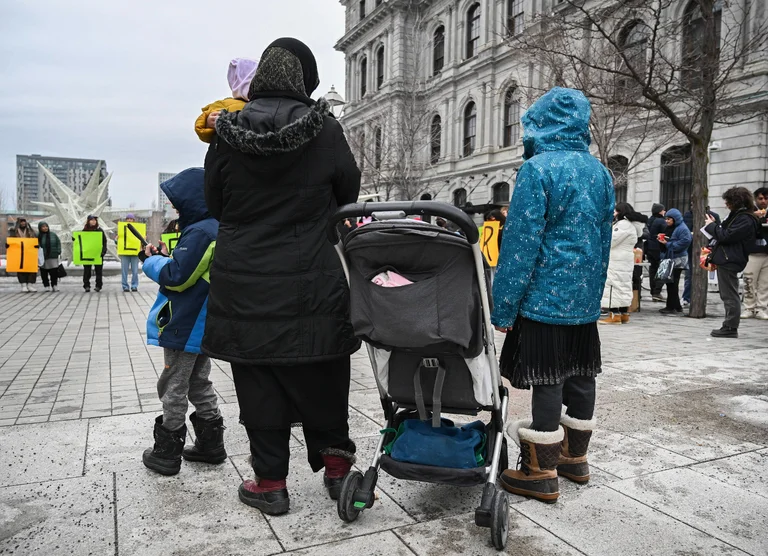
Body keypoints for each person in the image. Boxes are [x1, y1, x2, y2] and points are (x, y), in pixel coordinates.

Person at [202, 38, 361, 515]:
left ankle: (270, 482)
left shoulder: (226, 133)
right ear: (304, 81)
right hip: (311, 274)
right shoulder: (326, 130)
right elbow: (348, 191)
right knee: (323, 367)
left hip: (244, 281)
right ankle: (337, 470)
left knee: (259, 379)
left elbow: (216, 204)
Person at [492, 88, 614, 503]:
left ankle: (539, 470)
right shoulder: (600, 173)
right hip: (582, 299)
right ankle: (574, 459)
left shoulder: (537, 170)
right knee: (581, 374)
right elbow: (603, 238)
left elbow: (520, 244)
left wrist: (504, 305)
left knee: (548, 378)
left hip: (544, 298)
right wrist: (594, 293)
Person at [140, 168, 226, 476]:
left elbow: (178, 278)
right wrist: (167, 256)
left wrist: (150, 261)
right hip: (203, 322)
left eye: (177, 202)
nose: (175, 208)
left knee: (173, 384)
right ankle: (211, 444)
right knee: (198, 381)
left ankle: (167, 452)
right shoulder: (215, 226)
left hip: (187, 321)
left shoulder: (201, 231)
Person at [705, 187, 761, 338]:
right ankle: (729, 325)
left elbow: (726, 235)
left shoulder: (745, 219)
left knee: (729, 294)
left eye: (728, 202)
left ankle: (730, 327)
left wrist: (711, 226)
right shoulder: (740, 216)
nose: (726, 205)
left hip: (731, 259)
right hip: (729, 257)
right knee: (728, 293)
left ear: (735, 202)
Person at [195, 58, 259, 143]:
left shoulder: (263, 104)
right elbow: (202, 127)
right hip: (230, 152)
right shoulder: (226, 104)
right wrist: (208, 123)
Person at [600, 202, 644, 324]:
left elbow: (611, 240)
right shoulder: (631, 225)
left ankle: (614, 315)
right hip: (625, 260)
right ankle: (624, 313)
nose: (613, 213)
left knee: (613, 286)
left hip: (617, 260)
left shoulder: (623, 225)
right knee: (623, 285)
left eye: (615, 211)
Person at [682, 204, 720, 305]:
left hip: (707, 248)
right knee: (690, 273)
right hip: (691, 247)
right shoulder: (687, 215)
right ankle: (687, 297)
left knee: (702, 272)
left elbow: (717, 232)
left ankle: (698, 297)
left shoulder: (713, 216)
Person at [658, 208, 692, 315]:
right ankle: (676, 306)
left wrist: (667, 244)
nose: (667, 221)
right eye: (666, 219)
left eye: (669, 219)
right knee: (671, 283)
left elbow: (685, 241)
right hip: (673, 258)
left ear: (675, 219)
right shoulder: (675, 227)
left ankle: (671, 306)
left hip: (678, 259)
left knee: (672, 283)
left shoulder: (682, 228)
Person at [742, 187, 768, 320]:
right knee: (749, 282)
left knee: (764, 284)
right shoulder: (749, 212)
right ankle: (749, 308)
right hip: (752, 253)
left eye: (766, 198)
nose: (763, 201)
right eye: (760, 198)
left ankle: (761, 309)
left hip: (766, 254)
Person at [10, 217, 37, 292]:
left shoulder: (30, 230)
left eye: (24, 222)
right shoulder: (14, 231)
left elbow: (35, 239)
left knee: (31, 268)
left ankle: (30, 284)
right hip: (19, 252)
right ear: (18, 223)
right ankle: (23, 284)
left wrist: (36, 245)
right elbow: (10, 240)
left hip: (30, 252)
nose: (23, 223)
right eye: (21, 222)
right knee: (21, 268)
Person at [646, 203, 667, 301]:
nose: (664, 212)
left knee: (652, 270)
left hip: (649, 248)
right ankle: (657, 292)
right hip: (659, 248)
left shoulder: (649, 220)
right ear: (660, 211)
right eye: (663, 210)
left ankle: (653, 291)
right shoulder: (662, 221)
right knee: (662, 270)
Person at [82, 215, 107, 293]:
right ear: (88, 221)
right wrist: (75, 240)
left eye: (95, 220)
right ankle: (86, 286)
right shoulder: (84, 230)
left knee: (98, 271)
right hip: (87, 254)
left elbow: (104, 241)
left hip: (98, 254)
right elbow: (81, 241)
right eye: (92, 220)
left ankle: (98, 286)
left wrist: (103, 251)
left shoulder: (100, 230)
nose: (93, 221)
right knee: (87, 271)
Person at [118, 213, 140, 292]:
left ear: (134, 220)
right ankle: (125, 286)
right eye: (128, 219)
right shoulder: (122, 229)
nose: (129, 220)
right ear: (126, 220)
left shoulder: (138, 229)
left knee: (135, 270)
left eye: (131, 219)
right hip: (125, 253)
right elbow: (118, 242)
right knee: (124, 270)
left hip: (134, 253)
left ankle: (134, 285)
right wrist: (117, 239)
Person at [37, 222, 61, 292]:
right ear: (40, 228)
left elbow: (58, 242)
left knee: (54, 272)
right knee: (44, 272)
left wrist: (58, 251)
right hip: (42, 257)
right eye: (43, 227)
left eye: (46, 226)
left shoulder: (53, 235)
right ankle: (46, 285)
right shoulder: (38, 236)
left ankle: (54, 285)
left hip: (53, 256)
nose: (45, 228)